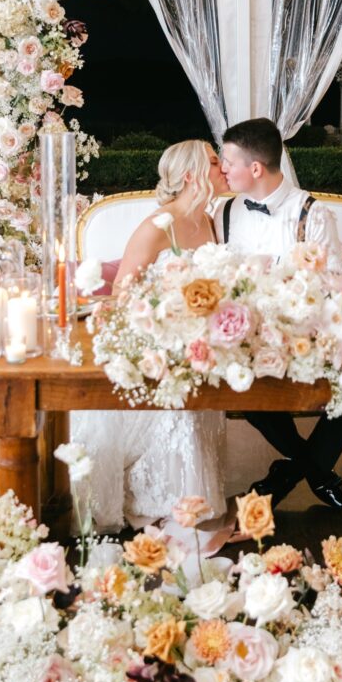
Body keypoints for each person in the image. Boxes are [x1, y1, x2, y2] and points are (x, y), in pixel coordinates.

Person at [70, 140, 230, 532]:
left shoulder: (211, 221)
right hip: (155, 342)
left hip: (195, 343)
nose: (223, 167)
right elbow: (123, 295)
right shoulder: (157, 226)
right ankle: (159, 501)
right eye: (214, 162)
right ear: (192, 175)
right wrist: (166, 317)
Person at [214, 117, 342, 511]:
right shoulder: (224, 213)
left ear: (255, 168)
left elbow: (332, 285)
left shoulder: (312, 214)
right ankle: (315, 469)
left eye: (228, 161)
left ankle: (288, 473)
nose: (222, 169)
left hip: (308, 333)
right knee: (238, 380)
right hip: (250, 340)